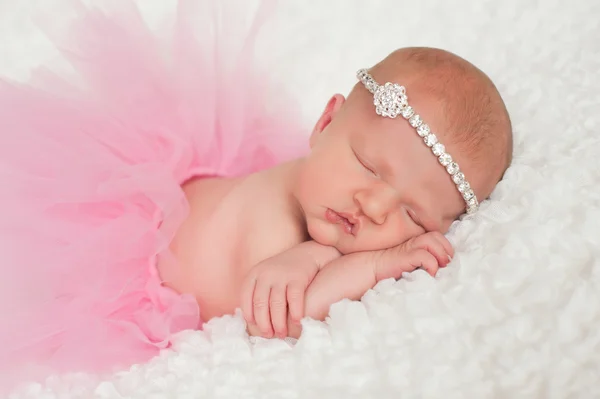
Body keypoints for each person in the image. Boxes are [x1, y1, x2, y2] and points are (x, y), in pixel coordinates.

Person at [0, 0, 512, 392]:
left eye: (412, 214)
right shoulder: (313, 195)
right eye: (367, 165)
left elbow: (300, 306)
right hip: (134, 217)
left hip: (144, 294)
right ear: (326, 122)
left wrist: (381, 266)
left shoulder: (329, 254)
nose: (373, 206)